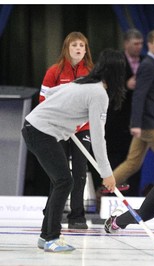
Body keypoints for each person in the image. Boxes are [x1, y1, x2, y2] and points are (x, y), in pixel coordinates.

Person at [21, 49, 126, 252]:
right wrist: (107, 174)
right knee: (64, 181)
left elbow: (53, 92)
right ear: (117, 73)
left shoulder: (84, 82)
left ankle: (45, 236)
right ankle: (52, 237)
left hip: (36, 128)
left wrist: (64, 115)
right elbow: (97, 137)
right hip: (40, 131)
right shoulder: (98, 93)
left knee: (59, 181)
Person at [39, 31, 94, 229]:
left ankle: (77, 215)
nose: (78, 49)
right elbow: (43, 100)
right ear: (67, 48)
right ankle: (52, 212)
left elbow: (94, 102)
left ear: (86, 49)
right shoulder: (54, 71)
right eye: (74, 45)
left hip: (82, 128)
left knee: (80, 171)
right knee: (59, 172)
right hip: (59, 129)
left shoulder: (91, 72)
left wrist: (81, 122)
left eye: (82, 45)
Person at [112, 29, 154, 190]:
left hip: (148, 120)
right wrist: (136, 123)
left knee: (133, 162)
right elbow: (139, 95)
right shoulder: (148, 65)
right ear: (150, 45)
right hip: (150, 121)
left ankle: (104, 189)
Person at [104, 28, 144, 197]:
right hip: (117, 120)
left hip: (137, 122)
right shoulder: (116, 62)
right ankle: (111, 196)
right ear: (126, 43)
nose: (139, 47)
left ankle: (133, 196)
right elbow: (107, 88)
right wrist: (125, 86)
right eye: (135, 44)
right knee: (116, 159)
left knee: (134, 161)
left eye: (141, 44)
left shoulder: (146, 62)